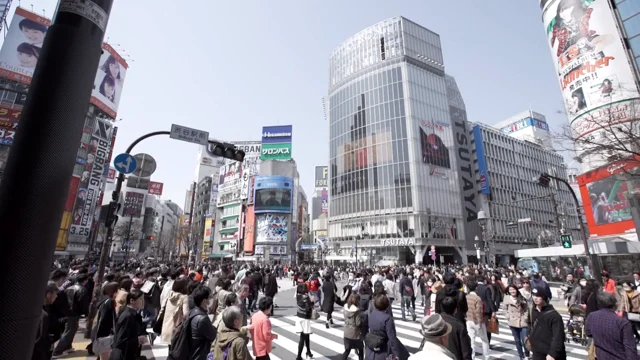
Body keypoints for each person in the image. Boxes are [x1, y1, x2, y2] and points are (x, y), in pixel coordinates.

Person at [586, 291, 639, 359]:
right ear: (615, 304)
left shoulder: (592, 316)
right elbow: (630, 348)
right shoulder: (622, 322)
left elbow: (588, 333)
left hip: (601, 356)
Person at [53, 273, 90, 358]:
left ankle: (67, 346)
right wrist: (86, 314)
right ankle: (57, 351)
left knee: (71, 330)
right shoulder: (82, 289)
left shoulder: (68, 288)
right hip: (74, 313)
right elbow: (83, 304)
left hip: (67, 312)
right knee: (69, 331)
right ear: (84, 281)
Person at [527, 287, 566, 360]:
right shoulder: (532, 310)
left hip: (550, 353)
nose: (535, 298)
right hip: (537, 352)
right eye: (534, 295)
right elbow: (530, 325)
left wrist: (552, 353)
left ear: (544, 297)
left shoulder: (554, 316)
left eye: (538, 296)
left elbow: (558, 336)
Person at [365, 294, 406, 360]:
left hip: (371, 348)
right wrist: (396, 354)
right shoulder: (387, 318)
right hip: (383, 349)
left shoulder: (372, 314)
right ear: (386, 305)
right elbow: (392, 338)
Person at [110, 290, 147, 360]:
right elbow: (120, 341)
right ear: (132, 301)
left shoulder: (131, 314)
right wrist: (138, 340)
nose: (143, 302)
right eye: (141, 299)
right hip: (123, 356)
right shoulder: (127, 316)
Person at [91, 282, 120, 360]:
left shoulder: (104, 300)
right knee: (105, 356)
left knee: (103, 356)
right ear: (114, 291)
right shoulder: (109, 302)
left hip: (100, 332)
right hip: (104, 334)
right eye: (118, 290)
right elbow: (105, 319)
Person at [189, 285, 217, 360]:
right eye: (210, 297)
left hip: (192, 354)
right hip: (199, 355)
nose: (212, 299)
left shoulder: (192, 312)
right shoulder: (202, 318)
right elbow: (213, 336)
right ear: (204, 301)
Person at [503, 285, 530, 360]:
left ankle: (527, 355)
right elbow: (504, 309)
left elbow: (526, 309)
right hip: (513, 322)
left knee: (525, 340)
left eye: (513, 289)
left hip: (522, 322)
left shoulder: (521, 297)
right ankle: (521, 356)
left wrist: (525, 317)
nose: (512, 291)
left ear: (516, 290)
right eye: (510, 290)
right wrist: (508, 316)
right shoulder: (506, 298)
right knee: (517, 341)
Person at [32, 282, 58, 360]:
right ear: (48, 295)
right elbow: (40, 341)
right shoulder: (43, 315)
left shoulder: (34, 310)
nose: (56, 296)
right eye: (55, 294)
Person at [160, 278, 190, 344]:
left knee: (169, 350)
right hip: (177, 328)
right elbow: (186, 314)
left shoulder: (170, 295)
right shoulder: (184, 297)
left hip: (166, 327)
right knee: (176, 351)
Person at [465, 280, 489, 360]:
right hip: (477, 321)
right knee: (484, 340)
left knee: (472, 340)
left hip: (468, 320)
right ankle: (486, 356)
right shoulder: (477, 298)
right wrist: (479, 323)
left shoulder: (466, 297)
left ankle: (472, 357)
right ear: (476, 288)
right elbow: (478, 311)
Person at [342, 293, 363, 360]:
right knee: (361, 349)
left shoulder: (345, 307)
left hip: (346, 331)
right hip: (355, 333)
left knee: (347, 350)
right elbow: (358, 323)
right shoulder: (356, 310)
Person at [295, 283, 313, 360]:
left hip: (299, 316)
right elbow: (308, 308)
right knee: (303, 337)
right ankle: (299, 356)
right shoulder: (305, 297)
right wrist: (312, 302)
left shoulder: (298, 296)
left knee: (306, 336)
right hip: (305, 318)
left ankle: (308, 351)